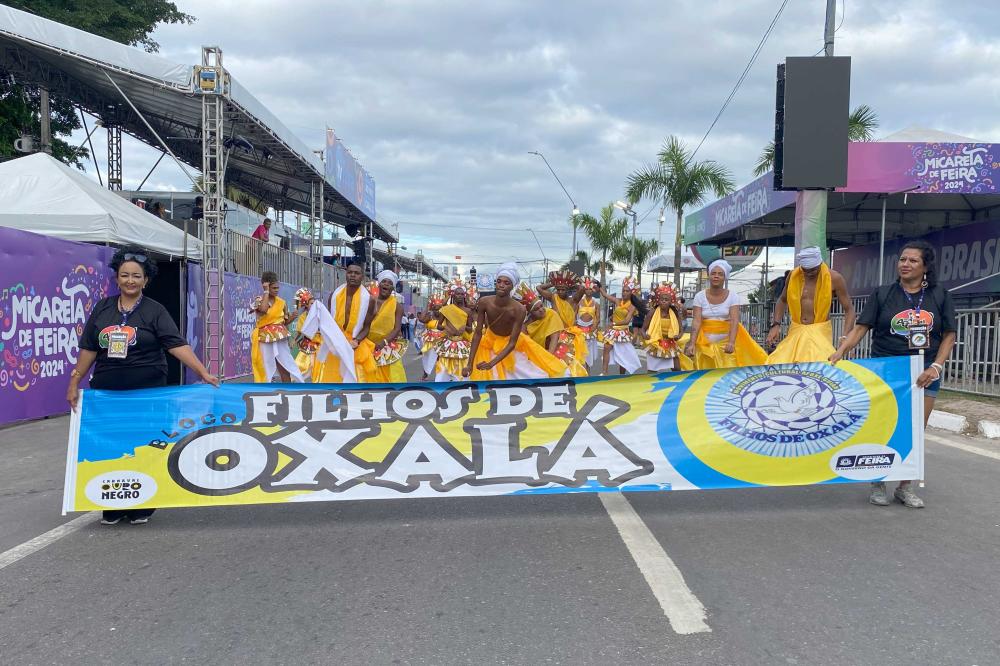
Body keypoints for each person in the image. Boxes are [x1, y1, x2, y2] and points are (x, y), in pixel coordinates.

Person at [66, 246, 220, 526]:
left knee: (142, 446)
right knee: (110, 446)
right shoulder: (102, 309)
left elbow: (176, 345)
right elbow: (88, 348)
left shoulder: (155, 310)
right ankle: (110, 504)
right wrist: (74, 381)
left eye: (136, 276)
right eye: (124, 275)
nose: (130, 280)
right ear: (116, 278)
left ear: (146, 280)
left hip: (147, 391)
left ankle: (141, 503)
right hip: (108, 391)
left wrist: (202, 373)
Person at [830, 240, 957, 509]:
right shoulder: (883, 293)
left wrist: (937, 367)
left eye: (912, 260)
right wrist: (841, 350)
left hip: (925, 373)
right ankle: (878, 481)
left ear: (925, 267)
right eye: (902, 259)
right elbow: (862, 328)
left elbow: (949, 335)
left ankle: (904, 486)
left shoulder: (940, 295)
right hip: (886, 372)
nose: (905, 264)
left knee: (915, 432)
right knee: (883, 428)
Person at [462, 263, 567, 381]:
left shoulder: (519, 309)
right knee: (486, 379)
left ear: (512, 286)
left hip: (511, 346)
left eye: (507, 283)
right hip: (488, 343)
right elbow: (477, 333)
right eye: (499, 281)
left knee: (538, 375)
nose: (501, 285)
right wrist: (469, 364)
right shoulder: (484, 302)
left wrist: (492, 363)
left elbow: (512, 343)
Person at [766, 246, 856, 364]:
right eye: (806, 270)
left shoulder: (834, 278)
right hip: (796, 330)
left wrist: (845, 337)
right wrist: (776, 325)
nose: (810, 273)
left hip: (819, 332)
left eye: (813, 270)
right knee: (777, 363)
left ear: (820, 264)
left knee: (823, 367)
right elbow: (782, 300)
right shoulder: (793, 276)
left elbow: (849, 309)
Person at [685, 259, 767, 369]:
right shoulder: (699, 296)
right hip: (704, 342)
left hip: (726, 343)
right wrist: (692, 343)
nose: (716, 276)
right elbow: (696, 321)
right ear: (709, 275)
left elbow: (734, 320)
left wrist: (731, 343)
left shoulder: (733, 296)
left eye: (720, 274)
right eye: (713, 273)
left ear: (725, 277)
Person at [312, 262, 377, 383]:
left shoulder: (370, 300)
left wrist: (356, 341)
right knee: (332, 378)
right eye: (350, 272)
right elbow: (329, 322)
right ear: (346, 274)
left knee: (357, 379)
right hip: (336, 342)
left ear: (362, 277)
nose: (353, 275)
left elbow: (367, 327)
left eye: (356, 273)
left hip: (356, 342)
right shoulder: (334, 296)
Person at [251, 271, 305, 383]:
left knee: (285, 365)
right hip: (264, 339)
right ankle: (265, 393)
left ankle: (289, 391)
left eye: (277, 288)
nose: (277, 290)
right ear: (266, 286)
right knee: (265, 367)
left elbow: (284, 323)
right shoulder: (259, 300)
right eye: (274, 288)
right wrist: (265, 291)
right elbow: (264, 310)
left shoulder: (282, 303)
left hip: (280, 339)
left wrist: (293, 318)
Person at [535, 271, 588, 376]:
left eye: (563, 289)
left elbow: (582, 289)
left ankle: (576, 380)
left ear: (567, 290)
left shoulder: (574, 300)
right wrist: (554, 283)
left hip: (570, 336)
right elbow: (539, 288)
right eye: (558, 289)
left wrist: (570, 283)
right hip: (555, 334)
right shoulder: (554, 299)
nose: (560, 292)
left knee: (572, 360)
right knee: (556, 359)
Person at [369, 270, 408, 383]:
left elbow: (397, 328)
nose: (386, 284)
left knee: (393, 377)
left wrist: (384, 342)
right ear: (379, 284)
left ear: (393, 288)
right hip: (368, 345)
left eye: (390, 283)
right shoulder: (369, 301)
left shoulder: (397, 306)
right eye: (384, 281)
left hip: (388, 346)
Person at [598, 279, 642, 375]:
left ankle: (622, 375)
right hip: (613, 330)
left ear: (631, 293)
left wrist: (614, 324)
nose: (624, 293)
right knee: (606, 347)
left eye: (627, 291)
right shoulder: (618, 301)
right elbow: (605, 295)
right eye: (623, 290)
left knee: (623, 354)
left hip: (623, 331)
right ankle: (604, 372)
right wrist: (599, 286)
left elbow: (626, 320)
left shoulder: (632, 306)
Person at [642, 282, 687, 372]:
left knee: (677, 369)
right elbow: (643, 329)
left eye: (666, 299)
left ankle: (677, 384)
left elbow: (681, 331)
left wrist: (678, 336)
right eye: (662, 299)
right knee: (652, 371)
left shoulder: (675, 314)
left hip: (670, 343)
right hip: (656, 343)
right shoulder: (652, 312)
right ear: (658, 300)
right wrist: (644, 335)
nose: (663, 301)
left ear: (671, 302)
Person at [435, 280, 475, 381]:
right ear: (453, 295)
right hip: (448, 342)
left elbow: (470, 330)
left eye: (462, 294)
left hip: (462, 342)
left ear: (464, 295)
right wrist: (445, 328)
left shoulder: (468, 311)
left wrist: (465, 328)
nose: (460, 296)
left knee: (461, 371)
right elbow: (439, 326)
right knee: (443, 371)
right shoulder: (446, 309)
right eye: (458, 294)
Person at [519, 283, 566, 355]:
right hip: (538, 354)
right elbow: (528, 345)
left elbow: (555, 338)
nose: (541, 310)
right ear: (531, 313)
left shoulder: (550, 314)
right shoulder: (525, 325)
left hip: (556, 351)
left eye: (541, 306)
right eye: (536, 309)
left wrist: (549, 358)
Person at [418, 296, 445, 380]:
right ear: (432, 309)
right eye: (435, 309)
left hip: (442, 339)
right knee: (427, 357)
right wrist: (427, 306)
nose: (437, 311)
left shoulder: (445, 316)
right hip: (430, 340)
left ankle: (441, 375)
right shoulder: (430, 316)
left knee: (441, 358)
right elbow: (422, 319)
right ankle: (426, 373)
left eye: (439, 309)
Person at [576, 279, 600, 367]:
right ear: (584, 290)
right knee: (580, 351)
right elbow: (574, 316)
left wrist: (595, 325)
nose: (588, 291)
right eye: (586, 289)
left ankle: (587, 372)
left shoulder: (596, 303)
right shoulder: (579, 302)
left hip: (590, 329)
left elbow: (598, 318)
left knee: (588, 354)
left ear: (593, 290)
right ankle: (580, 371)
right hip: (580, 329)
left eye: (590, 289)